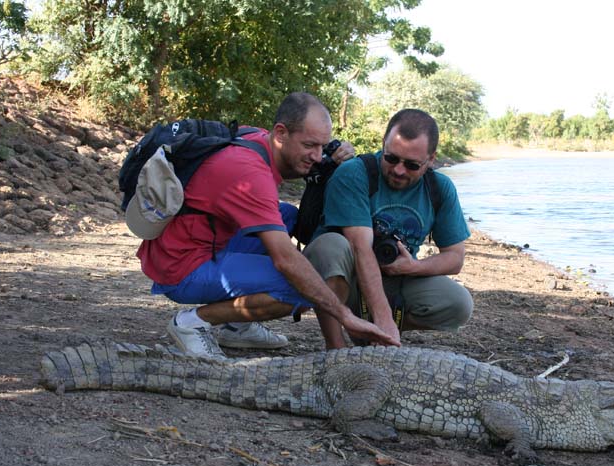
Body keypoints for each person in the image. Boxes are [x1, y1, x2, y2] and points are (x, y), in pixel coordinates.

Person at [131, 92, 399, 359]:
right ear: (281, 133)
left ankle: (237, 327)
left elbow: (301, 180)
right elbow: (286, 260)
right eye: (309, 145)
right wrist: (345, 316)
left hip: (193, 240)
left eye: (322, 146)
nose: (317, 156)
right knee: (302, 288)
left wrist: (329, 162)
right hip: (179, 267)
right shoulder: (250, 173)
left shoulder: (258, 139)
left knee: (286, 216)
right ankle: (191, 323)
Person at [303, 108, 473, 349]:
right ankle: (336, 346)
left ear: (431, 159)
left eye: (412, 165)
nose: (399, 170)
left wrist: (414, 266)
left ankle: (371, 330)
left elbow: (455, 258)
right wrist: (383, 317)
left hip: (395, 278)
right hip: (346, 277)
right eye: (391, 158)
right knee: (331, 247)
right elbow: (360, 248)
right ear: (383, 144)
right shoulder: (354, 173)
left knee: (458, 304)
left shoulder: (440, 188)